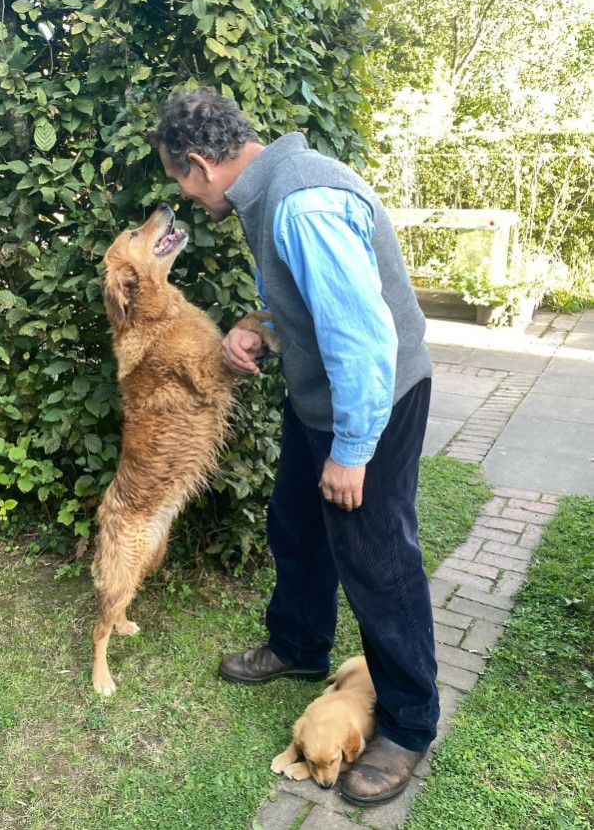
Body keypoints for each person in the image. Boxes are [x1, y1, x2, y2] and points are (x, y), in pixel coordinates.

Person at [150, 87, 439, 806]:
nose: (187, 198)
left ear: (197, 163)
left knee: (378, 558)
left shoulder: (302, 203)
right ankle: (301, 645)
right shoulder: (271, 190)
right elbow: (304, 303)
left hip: (372, 404)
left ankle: (407, 723)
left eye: (180, 183)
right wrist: (258, 324)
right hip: (320, 401)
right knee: (298, 526)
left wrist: (352, 451)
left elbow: (363, 339)